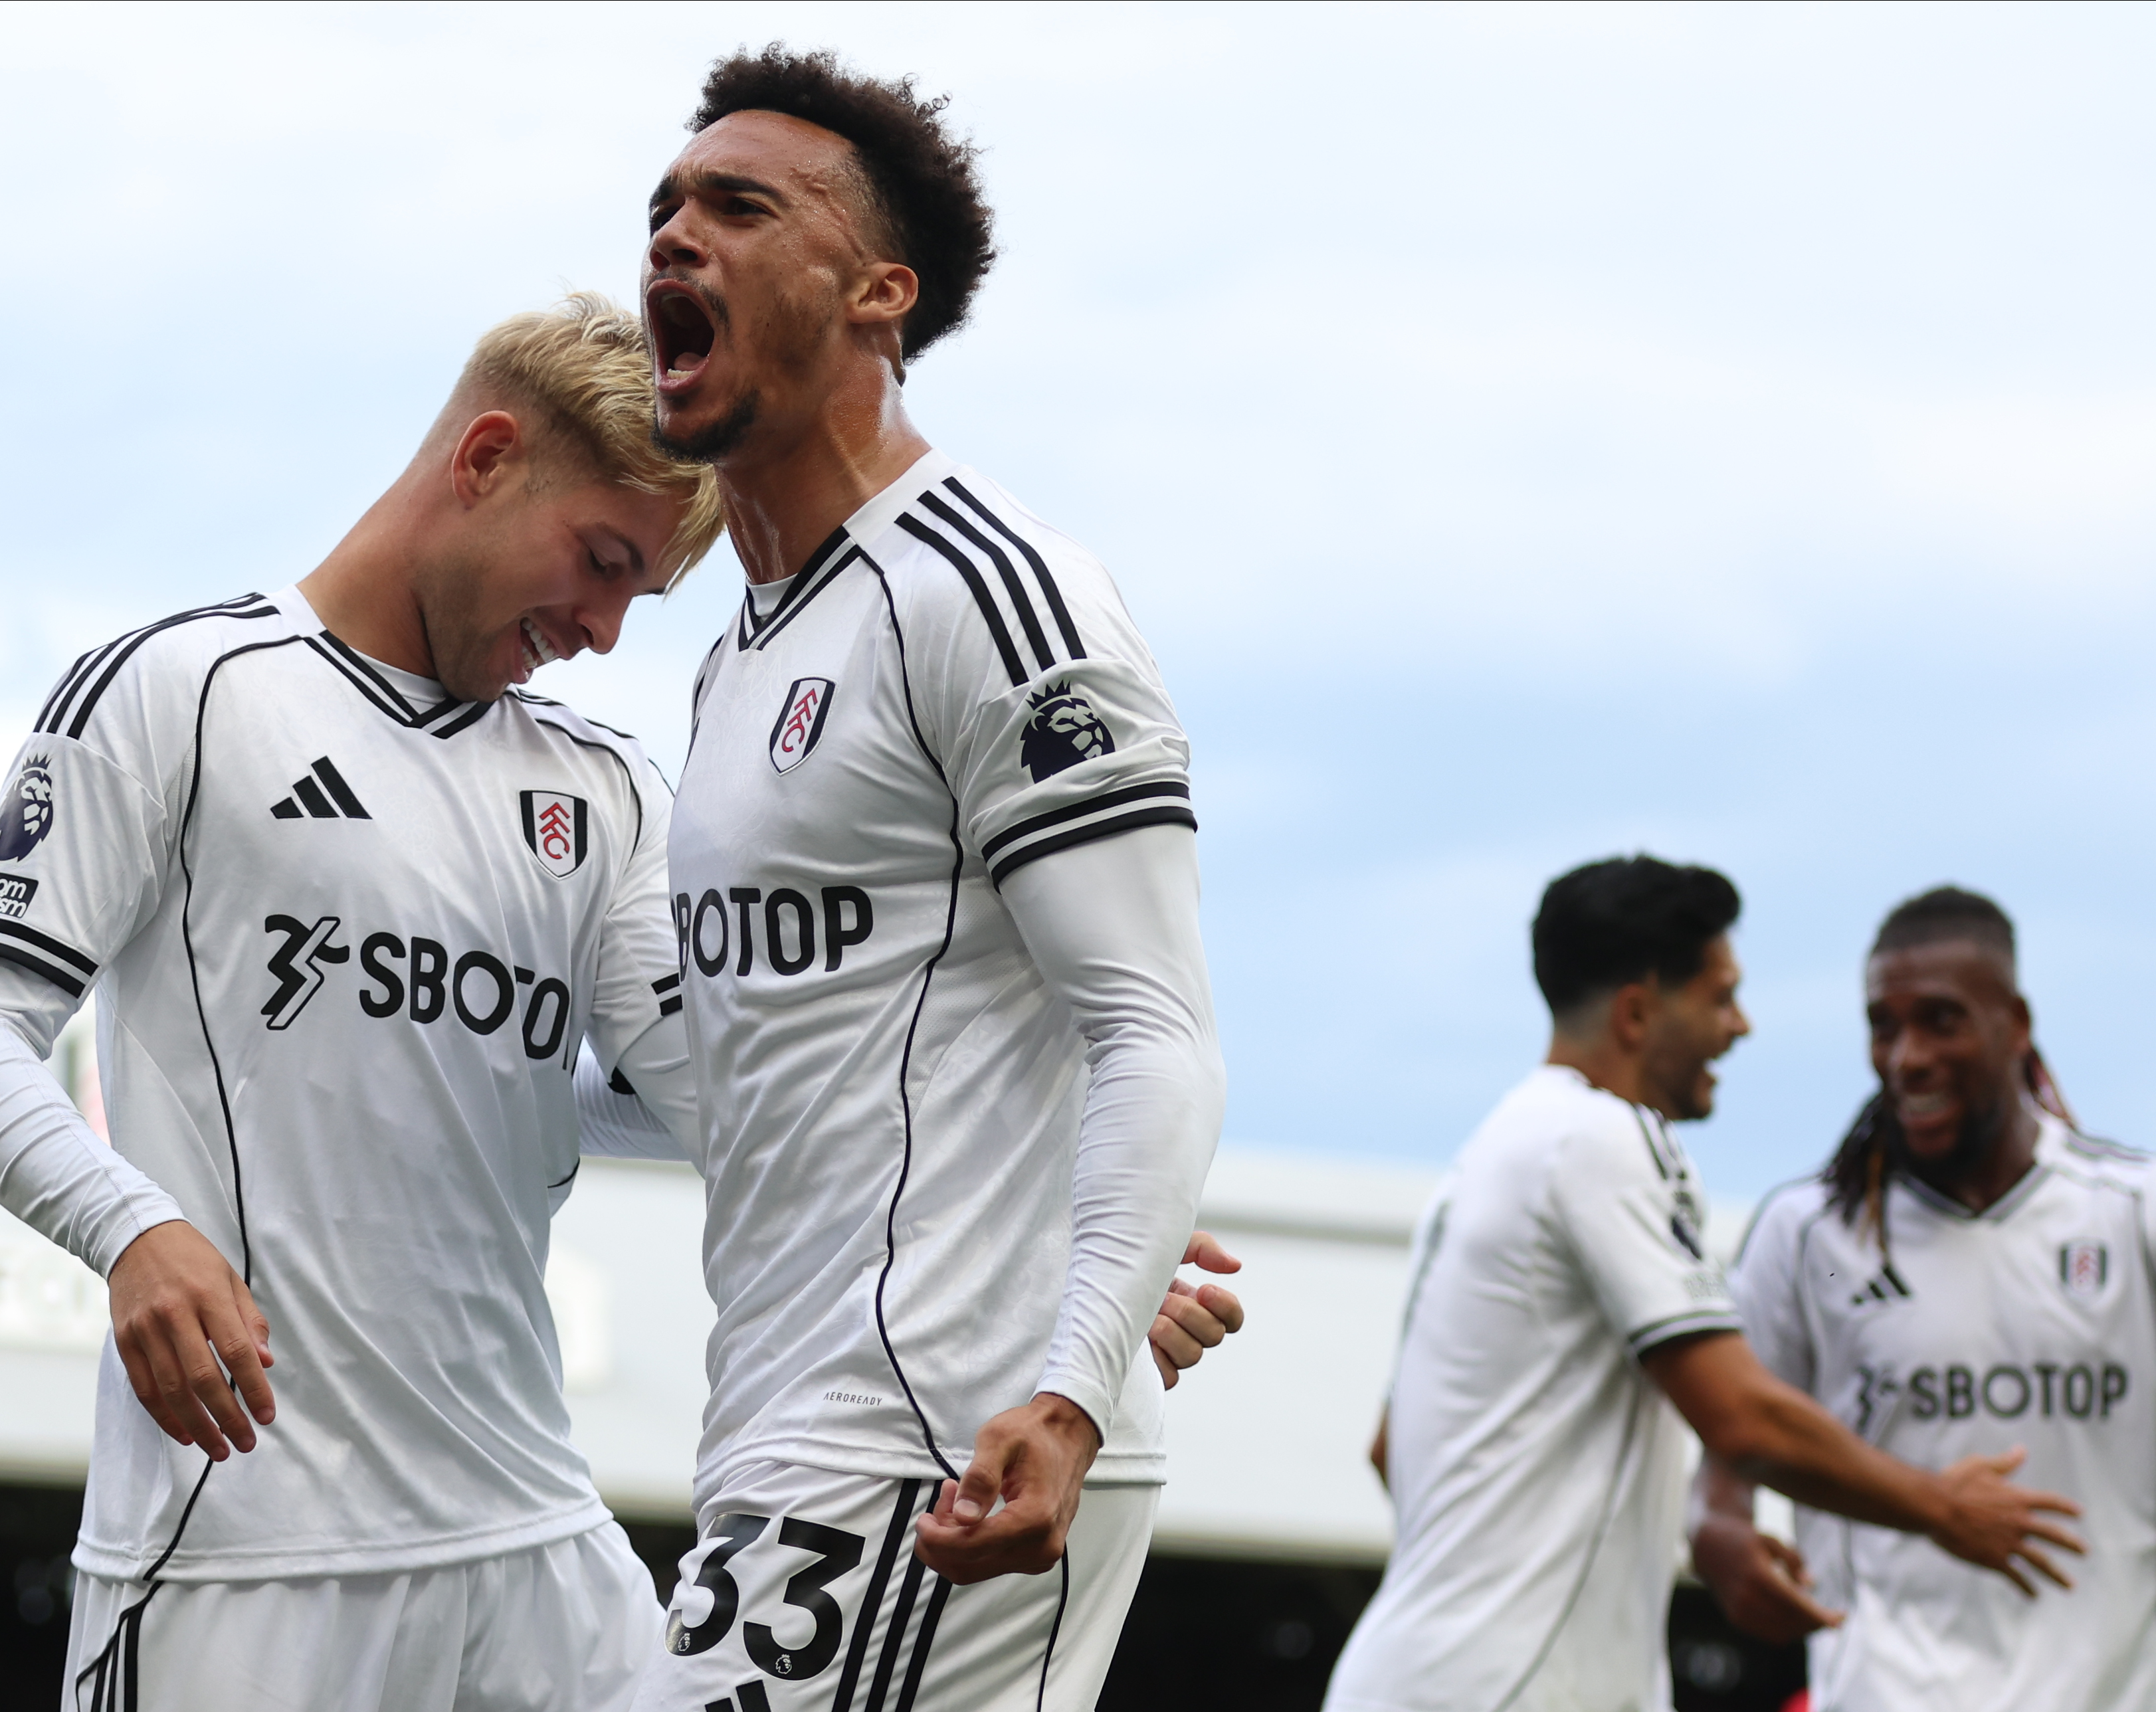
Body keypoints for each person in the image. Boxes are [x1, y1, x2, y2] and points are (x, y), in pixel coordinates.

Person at [0, 292, 1243, 1712]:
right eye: (600, 559)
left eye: (639, 596)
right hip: (242, 1553)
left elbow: (731, 1097)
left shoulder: (598, 791)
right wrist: (134, 1230)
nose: (602, 630)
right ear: (484, 458)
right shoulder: (184, 690)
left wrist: (1046, 1267)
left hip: (541, 1554)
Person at [625, 47, 1228, 1711]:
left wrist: (1075, 1371)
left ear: (878, 295)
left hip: (938, 1437)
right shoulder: (740, 650)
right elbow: (786, 1065)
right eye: (662, 209)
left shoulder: (997, 592)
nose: (674, 240)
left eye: (739, 209)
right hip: (801, 1423)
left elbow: (1155, 1032)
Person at [1323, 857, 2083, 1712]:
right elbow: (1738, 1415)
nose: (1742, 1026)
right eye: (1720, 997)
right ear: (1640, 1012)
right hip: (1511, 1692)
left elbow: (1392, 1449)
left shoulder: (1488, 1155)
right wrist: (1941, 1505)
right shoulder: (1603, 1139)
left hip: (1416, 1677)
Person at [1694, 887, 2153, 1709]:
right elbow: (1729, 1458)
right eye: (1883, 1026)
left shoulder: (2128, 1214)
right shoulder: (1815, 1240)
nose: (1906, 1056)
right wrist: (1719, 1533)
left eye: (1940, 1020)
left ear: (2014, 1025)